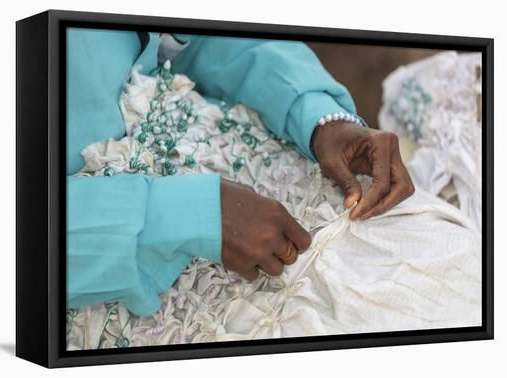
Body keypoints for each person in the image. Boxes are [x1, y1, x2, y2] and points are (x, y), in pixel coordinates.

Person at [66, 28, 415, 317]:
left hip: (209, 136)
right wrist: (188, 216)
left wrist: (318, 116)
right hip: (99, 262)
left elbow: (210, 33)